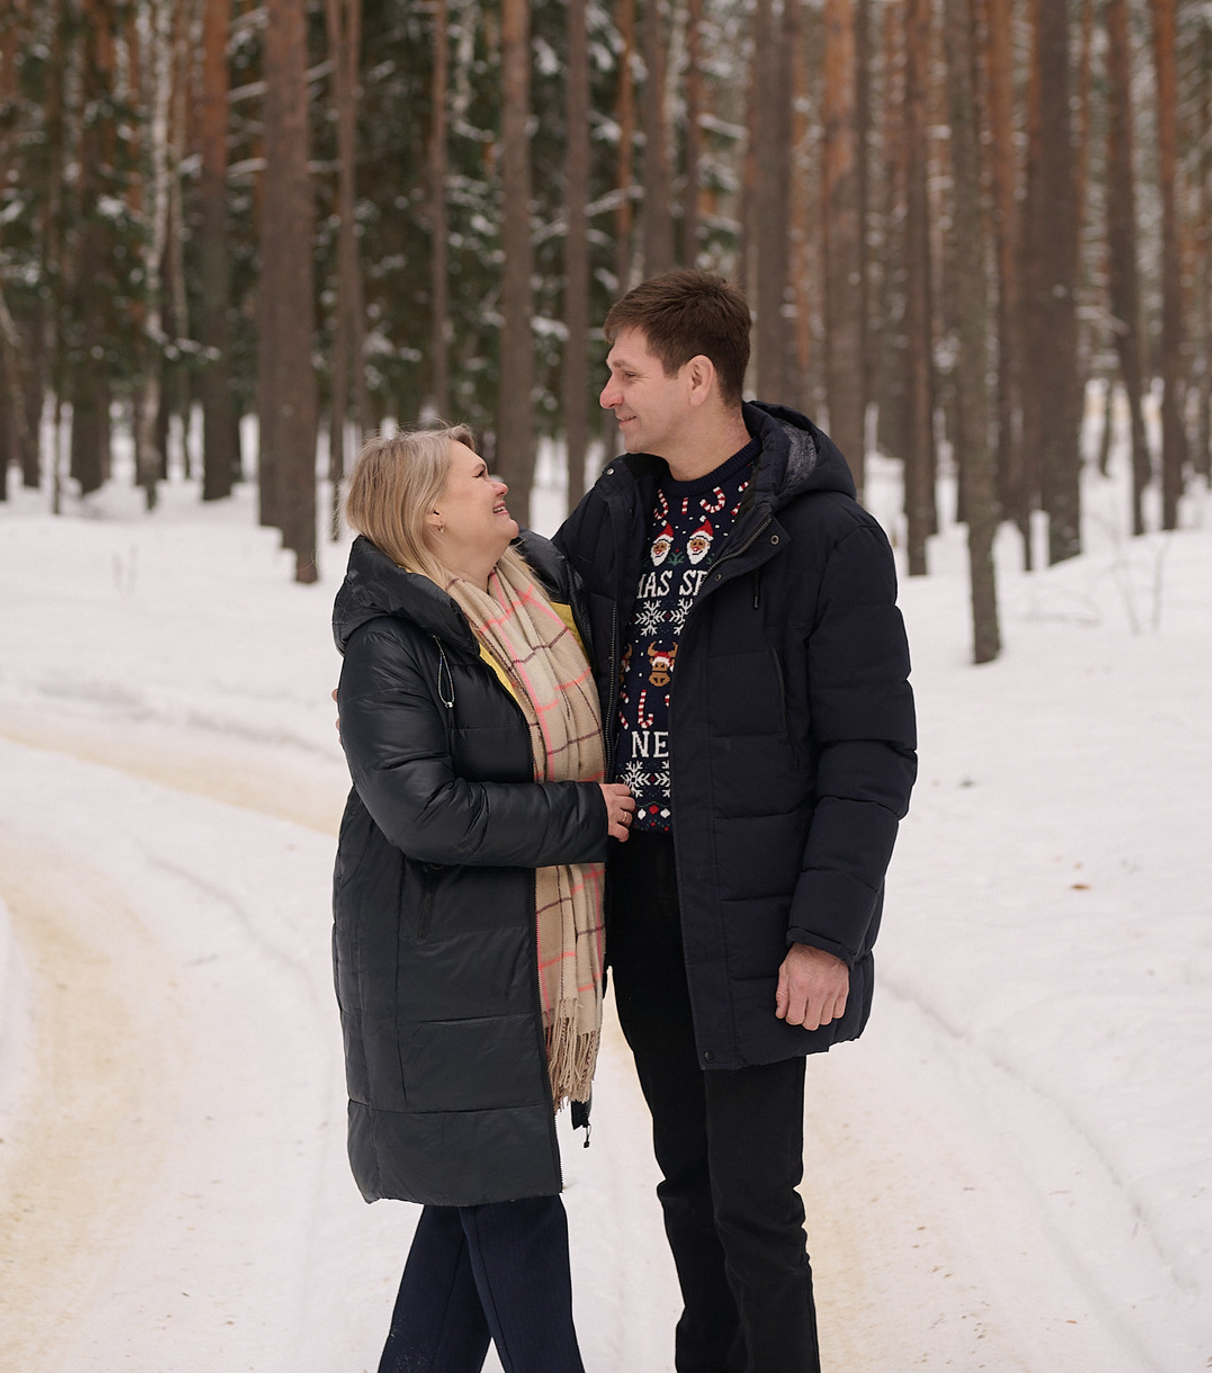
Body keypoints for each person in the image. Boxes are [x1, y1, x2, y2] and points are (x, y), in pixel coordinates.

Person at [553, 267, 917, 1373]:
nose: (608, 394)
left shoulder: (824, 537)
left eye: (626, 372)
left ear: (695, 376)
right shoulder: (620, 512)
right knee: (689, 1181)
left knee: (758, 1198)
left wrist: (826, 934)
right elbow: (511, 620)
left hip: (760, 912)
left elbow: (872, 757)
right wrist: (394, 662)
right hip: (647, 898)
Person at [333, 424, 637, 1373]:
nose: (501, 483)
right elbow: (422, 813)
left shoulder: (541, 587)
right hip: (437, 964)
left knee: (476, 1203)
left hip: (517, 959)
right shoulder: (389, 645)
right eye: (477, 475)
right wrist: (585, 817)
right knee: (511, 1206)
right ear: (430, 509)